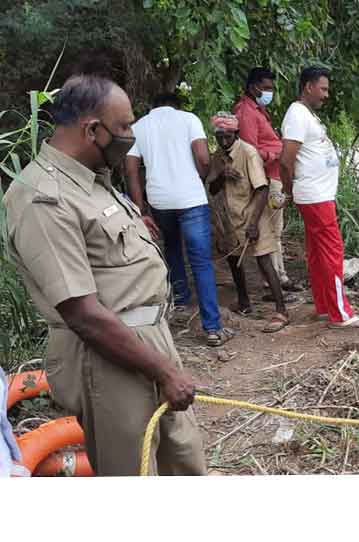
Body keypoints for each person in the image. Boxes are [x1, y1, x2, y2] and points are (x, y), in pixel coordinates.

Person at [2, 75, 206, 475]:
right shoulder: (44, 198)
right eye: (126, 126)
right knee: (133, 471)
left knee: (182, 459)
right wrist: (163, 371)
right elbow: (82, 313)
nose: (131, 135)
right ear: (93, 130)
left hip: (147, 343)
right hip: (108, 359)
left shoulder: (93, 179)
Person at [124, 92, 233, 347]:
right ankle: (213, 328)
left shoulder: (139, 127)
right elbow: (204, 159)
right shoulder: (189, 119)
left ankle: (181, 300)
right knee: (202, 262)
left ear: (154, 107)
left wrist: (141, 211)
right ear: (177, 106)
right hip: (191, 199)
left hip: (159, 201)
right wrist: (201, 176)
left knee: (172, 250)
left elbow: (130, 170)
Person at [280, 66, 359, 328]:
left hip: (317, 195)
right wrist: (288, 191)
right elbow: (286, 161)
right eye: (323, 89)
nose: (326, 95)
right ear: (308, 87)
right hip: (315, 196)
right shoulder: (297, 114)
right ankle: (341, 314)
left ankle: (324, 306)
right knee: (332, 253)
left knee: (319, 253)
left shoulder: (305, 114)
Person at [207, 112, 290, 332]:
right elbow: (213, 189)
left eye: (228, 136)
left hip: (254, 213)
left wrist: (253, 223)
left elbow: (261, 189)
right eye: (219, 136)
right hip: (232, 216)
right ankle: (244, 303)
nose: (224, 141)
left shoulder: (248, 152)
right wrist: (221, 175)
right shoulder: (218, 156)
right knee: (234, 261)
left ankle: (281, 310)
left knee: (264, 261)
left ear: (236, 133)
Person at [233, 66, 295, 292]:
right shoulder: (246, 113)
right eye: (266, 88)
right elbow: (251, 152)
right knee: (270, 230)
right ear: (253, 87)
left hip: (274, 174)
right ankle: (275, 279)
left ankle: (280, 276)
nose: (270, 92)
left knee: (275, 230)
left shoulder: (256, 110)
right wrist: (276, 154)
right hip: (267, 177)